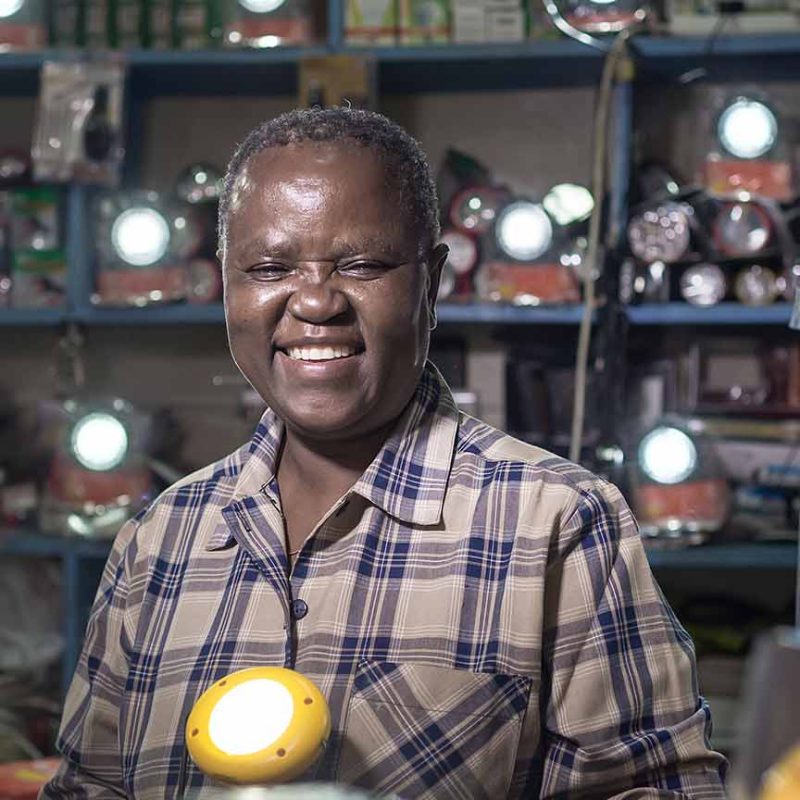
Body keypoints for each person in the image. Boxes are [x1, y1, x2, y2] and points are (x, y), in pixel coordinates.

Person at [41, 108, 727, 799]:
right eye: (270, 267)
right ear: (227, 284)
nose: (314, 301)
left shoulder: (558, 524)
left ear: (430, 283)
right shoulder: (159, 540)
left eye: (363, 264)